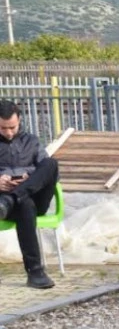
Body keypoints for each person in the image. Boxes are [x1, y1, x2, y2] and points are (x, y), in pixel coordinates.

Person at [0, 99, 58, 288]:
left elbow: (48, 173)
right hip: (5, 203)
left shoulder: (32, 141)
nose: (9, 132)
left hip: (34, 196)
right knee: (24, 205)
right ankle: (35, 272)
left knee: (51, 164)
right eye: (3, 128)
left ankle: (15, 196)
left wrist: (29, 177)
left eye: (12, 127)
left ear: (19, 121)